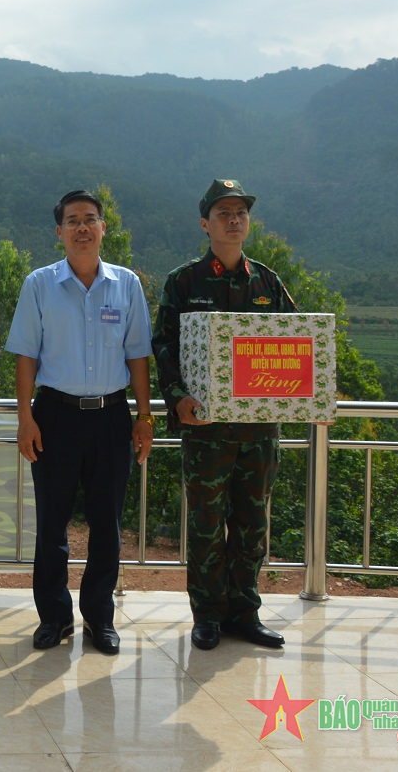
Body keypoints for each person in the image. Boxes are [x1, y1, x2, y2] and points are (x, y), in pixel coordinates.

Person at [5, 189, 154, 655]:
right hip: (55, 417)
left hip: (111, 417)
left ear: (103, 227)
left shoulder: (126, 285)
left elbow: (138, 357)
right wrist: (25, 416)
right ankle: (54, 619)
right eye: (73, 220)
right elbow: (26, 356)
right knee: (52, 525)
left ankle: (99, 619)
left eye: (91, 219)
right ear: (60, 232)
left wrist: (144, 416)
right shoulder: (39, 285)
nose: (82, 227)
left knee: (107, 525)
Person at [154, 179, 297, 651]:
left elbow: (295, 346)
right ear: (205, 223)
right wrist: (176, 396)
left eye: (241, 212)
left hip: (258, 430)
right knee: (207, 524)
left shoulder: (267, 282)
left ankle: (245, 611)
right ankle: (208, 614)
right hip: (207, 429)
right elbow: (163, 347)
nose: (234, 219)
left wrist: (312, 395)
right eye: (224, 213)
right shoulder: (185, 282)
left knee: (253, 524)